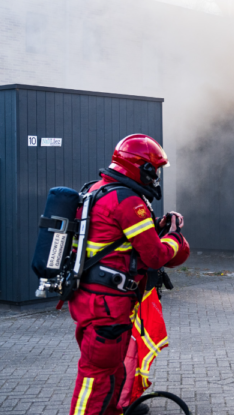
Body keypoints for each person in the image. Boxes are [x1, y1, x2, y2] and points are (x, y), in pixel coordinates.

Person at [69, 134, 190, 415]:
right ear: (141, 167)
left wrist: (156, 226)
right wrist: (175, 239)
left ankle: (116, 410)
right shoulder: (127, 201)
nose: (156, 177)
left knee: (113, 368)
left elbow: (120, 240)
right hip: (106, 306)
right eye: (155, 170)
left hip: (96, 299)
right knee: (95, 376)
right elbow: (155, 256)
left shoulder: (100, 190)